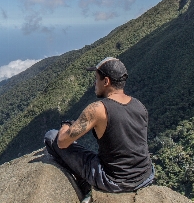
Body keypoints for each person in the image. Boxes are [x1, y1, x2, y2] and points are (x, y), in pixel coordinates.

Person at [44, 57, 154, 197]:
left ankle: (82, 184)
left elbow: (62, 142)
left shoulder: (98, 109)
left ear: (106, 81)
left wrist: (66, 124)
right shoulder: (139, 105)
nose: (95, 83)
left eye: (97, 79)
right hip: (145, 175)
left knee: (51, 137)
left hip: (114, 181)